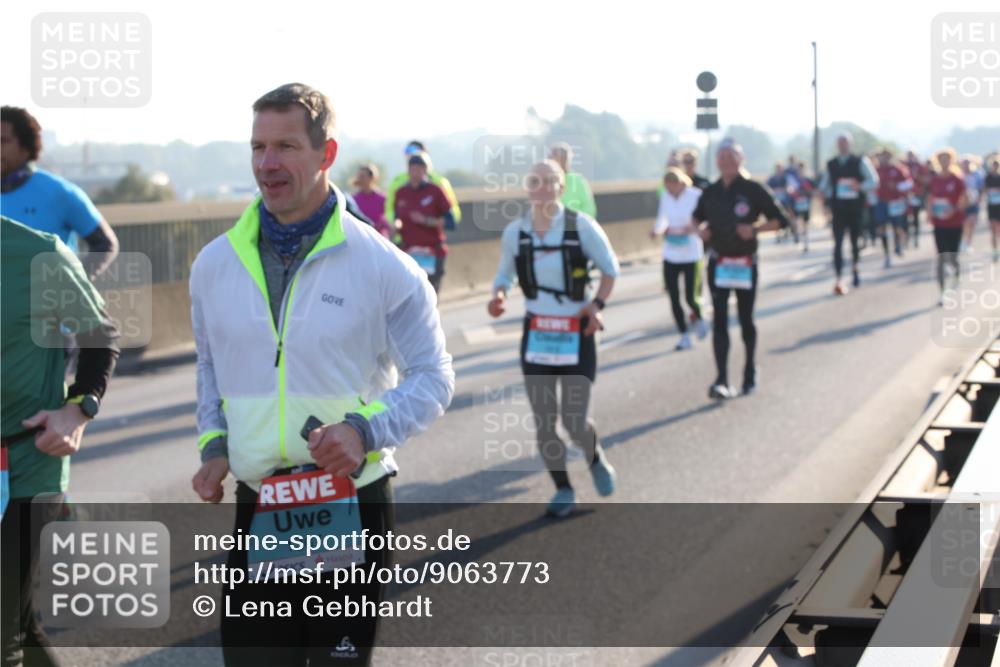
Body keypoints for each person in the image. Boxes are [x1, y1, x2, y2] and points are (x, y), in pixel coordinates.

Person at [189, 83, 454, 666]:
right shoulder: (213, 265)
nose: (267, 163)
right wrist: (214, 443)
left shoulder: (386, 266)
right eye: (258, 146)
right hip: (259, 505)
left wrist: (364, 429)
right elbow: (211, 366)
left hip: (350, 504)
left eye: (285, 146)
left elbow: (433, 377)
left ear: (326, 154)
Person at [1, 215, 120, 667]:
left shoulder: (39, 254)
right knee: (18, 623)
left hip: (26, 461)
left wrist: (77, 410)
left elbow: (100, 334)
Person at [488, 160, 619, 518]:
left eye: (550, 182)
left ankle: (595, 458)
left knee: (574, 421)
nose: (542, 188)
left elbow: (610, 270)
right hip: (538, 335)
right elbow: (504, 274)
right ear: (528, 188)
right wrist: (499, 295)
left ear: (562, 187)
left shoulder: (582, 227)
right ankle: (563, 489)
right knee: (544, 421)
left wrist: (597, 305)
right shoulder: (516, 232)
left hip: (577, 332)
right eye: (535, 182)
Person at [692, 139, 788, 400]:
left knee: (746, 320)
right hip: (719, 262)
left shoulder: (754, 189)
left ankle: (749, 370)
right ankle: (721, 378)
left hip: (745, 263)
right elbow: (696, 216)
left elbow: (781, 220)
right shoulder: (710, 191)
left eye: (731, 157)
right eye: (722, 157)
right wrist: (700, 229)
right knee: (720, 320)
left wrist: (755, 229)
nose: (726, 161)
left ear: (741, 159)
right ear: (717, 161)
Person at [0, 106, 118, 280]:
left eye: (3, 141)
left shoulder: (59, 192)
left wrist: (75, 286)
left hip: (50, 304)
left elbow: (105, 244)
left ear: (26, 147)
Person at [650, 168, 707, 350]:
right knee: (673, 297)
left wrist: (694, 227)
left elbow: (705, 218)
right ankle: (683, 335)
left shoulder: (695, 195)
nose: (669, 190)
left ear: (679, 183)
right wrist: (657, 231)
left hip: (691, 253)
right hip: (671, 253)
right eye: (666, 187)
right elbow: (662, 219)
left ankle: (698, 316)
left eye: (671, 186)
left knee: (690, 297)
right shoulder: (666, 197)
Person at [819, 132, 879, 295]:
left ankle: (855, 268)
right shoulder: (831, 164)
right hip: (838, 210)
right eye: (840, 143)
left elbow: (873, 180)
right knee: (837, 243)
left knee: (854, 241)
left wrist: (858, 186)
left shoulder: (860, 161)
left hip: (855, 208)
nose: (842, 146)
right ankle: (838, 278)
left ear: (850, 144)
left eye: (845, 143)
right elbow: (825, 186)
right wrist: (824, 201)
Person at [393, 152, 456, 293]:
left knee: (430, 295)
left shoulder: (436, 191)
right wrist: (396, 225)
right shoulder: (401, 193)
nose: (415, 173)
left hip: (432, 251)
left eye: (419, 169)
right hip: (409, 251)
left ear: (425, 170)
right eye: (412, 169)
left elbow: (451, 222)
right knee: (410, 295)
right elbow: (397, 217)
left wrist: (427, 221)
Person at [384, 140, 461, 229]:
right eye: (407, 151)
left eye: (415, 151)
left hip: (431, 238)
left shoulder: (440, 182)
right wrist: (397, 223)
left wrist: (429, 221)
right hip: (403, 239)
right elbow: (389, 210)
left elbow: (453, 213)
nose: (411, 155)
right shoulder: (397, 182)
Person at [927, 148, 968, 305]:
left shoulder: (957, 179)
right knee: (941, 257)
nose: (944, 162)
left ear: (951, 161)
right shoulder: (934, 180)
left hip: (955, 223)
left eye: (947, 159)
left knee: (952, 257)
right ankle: (942, 293)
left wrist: (955, 209)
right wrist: (930, 210)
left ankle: (956, 273)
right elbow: (930, 198)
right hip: (939, 224)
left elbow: (966, 199)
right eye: (941, 159)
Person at [873, 147, 912, 262]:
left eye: (886, 155)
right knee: (882, 227)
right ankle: (886, 253)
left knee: (897, 226)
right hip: (881, 202)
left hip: (895, 202)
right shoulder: (876, 170)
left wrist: (896, 186)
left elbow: (908, 184)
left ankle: (898, 245)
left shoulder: (897, 169)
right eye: (882, 155)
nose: (883, 158)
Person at [549, 142, 597, 219]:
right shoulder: (545, 181)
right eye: (551, 156)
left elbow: (589, 208)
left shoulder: (578, 180)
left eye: (564, 157)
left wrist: (576, 223)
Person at [351, 163, 391, 238]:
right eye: (359, 177)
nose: (360, 179)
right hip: (361, 238)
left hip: (379, 238)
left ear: (372, 178)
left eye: (363, 177)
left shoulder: (382, 199)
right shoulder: (354, 200)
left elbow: (387, 221)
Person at [904, 149, 930, 248]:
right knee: (904, 218)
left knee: (915, 216)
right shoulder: (903, 165)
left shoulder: (920, 166)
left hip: (917, 194)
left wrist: (917, 177)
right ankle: (906, 238)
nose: (910, 157)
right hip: (905, 196)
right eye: (909, 155)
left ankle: (916, 238)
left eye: (912, 155)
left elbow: (926, 180)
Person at [960, 155, 984, 253]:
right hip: (963, 203)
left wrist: (979, 199)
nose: (966, 165)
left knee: (972, 223)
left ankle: (968, 243)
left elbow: (981, 188)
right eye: (965, 163)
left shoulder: (977, 174)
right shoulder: (959, 175)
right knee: (964, 224)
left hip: (974, 203)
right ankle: (963, 241)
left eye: (968, 162)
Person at [985, 155, 1000, 263]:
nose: (995, 167)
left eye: (997, 165)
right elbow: (985, 190)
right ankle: (995, 251)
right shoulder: (988, 177)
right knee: (993, 230)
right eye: (993, 165)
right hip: (991, 206)